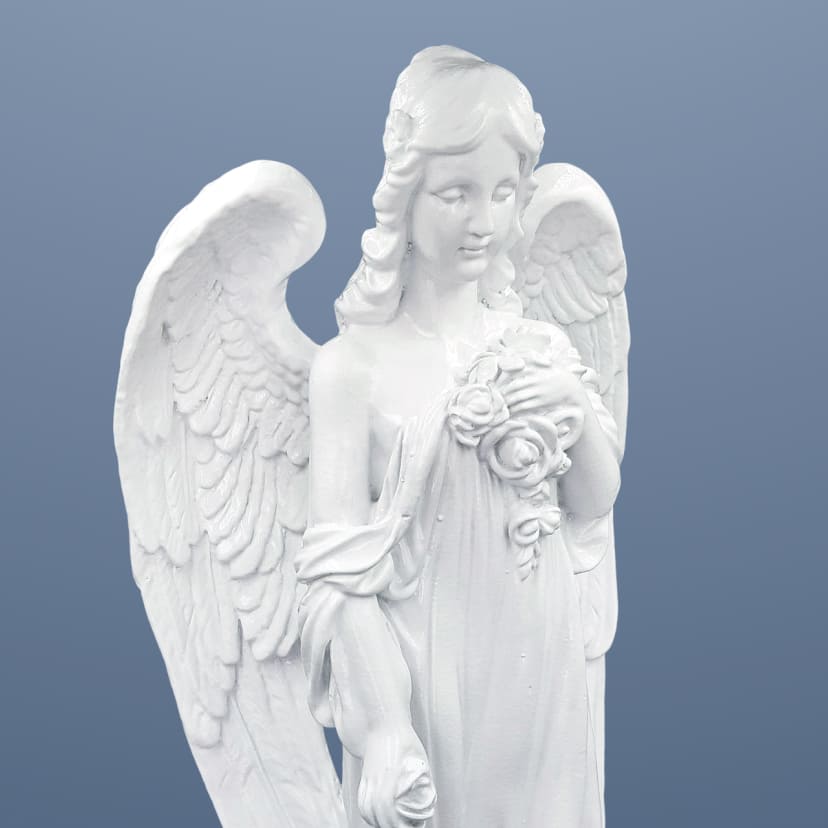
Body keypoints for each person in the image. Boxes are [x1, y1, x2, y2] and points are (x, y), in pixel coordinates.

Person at [294, 46, 620, 828]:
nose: (485, 222)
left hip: (542, 658)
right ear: (405, 194)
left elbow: (595, 503)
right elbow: (339, 579)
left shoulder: (538, 345)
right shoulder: (351, 369)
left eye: (504, 192)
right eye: (456, 194)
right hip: (426, 670)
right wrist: (385, 729)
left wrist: (575, 408)